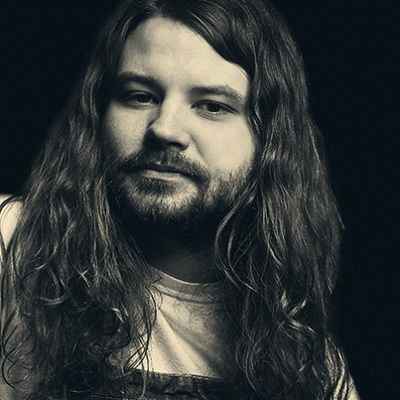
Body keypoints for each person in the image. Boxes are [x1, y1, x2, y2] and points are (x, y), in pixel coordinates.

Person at [0, 0, 361, 399]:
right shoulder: (13, 242)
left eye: (211, 106)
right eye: (140, 96)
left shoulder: (305, 358)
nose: (165, 128)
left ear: (267, 141)